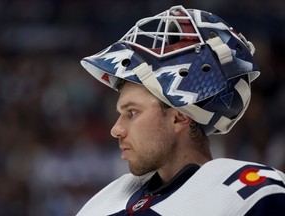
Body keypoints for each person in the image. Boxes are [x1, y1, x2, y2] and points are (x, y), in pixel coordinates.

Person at [77, 5, 285, 216]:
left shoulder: (249, 196)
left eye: (132, 112)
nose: (116, 129)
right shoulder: (105, 203)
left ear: (179, 117)